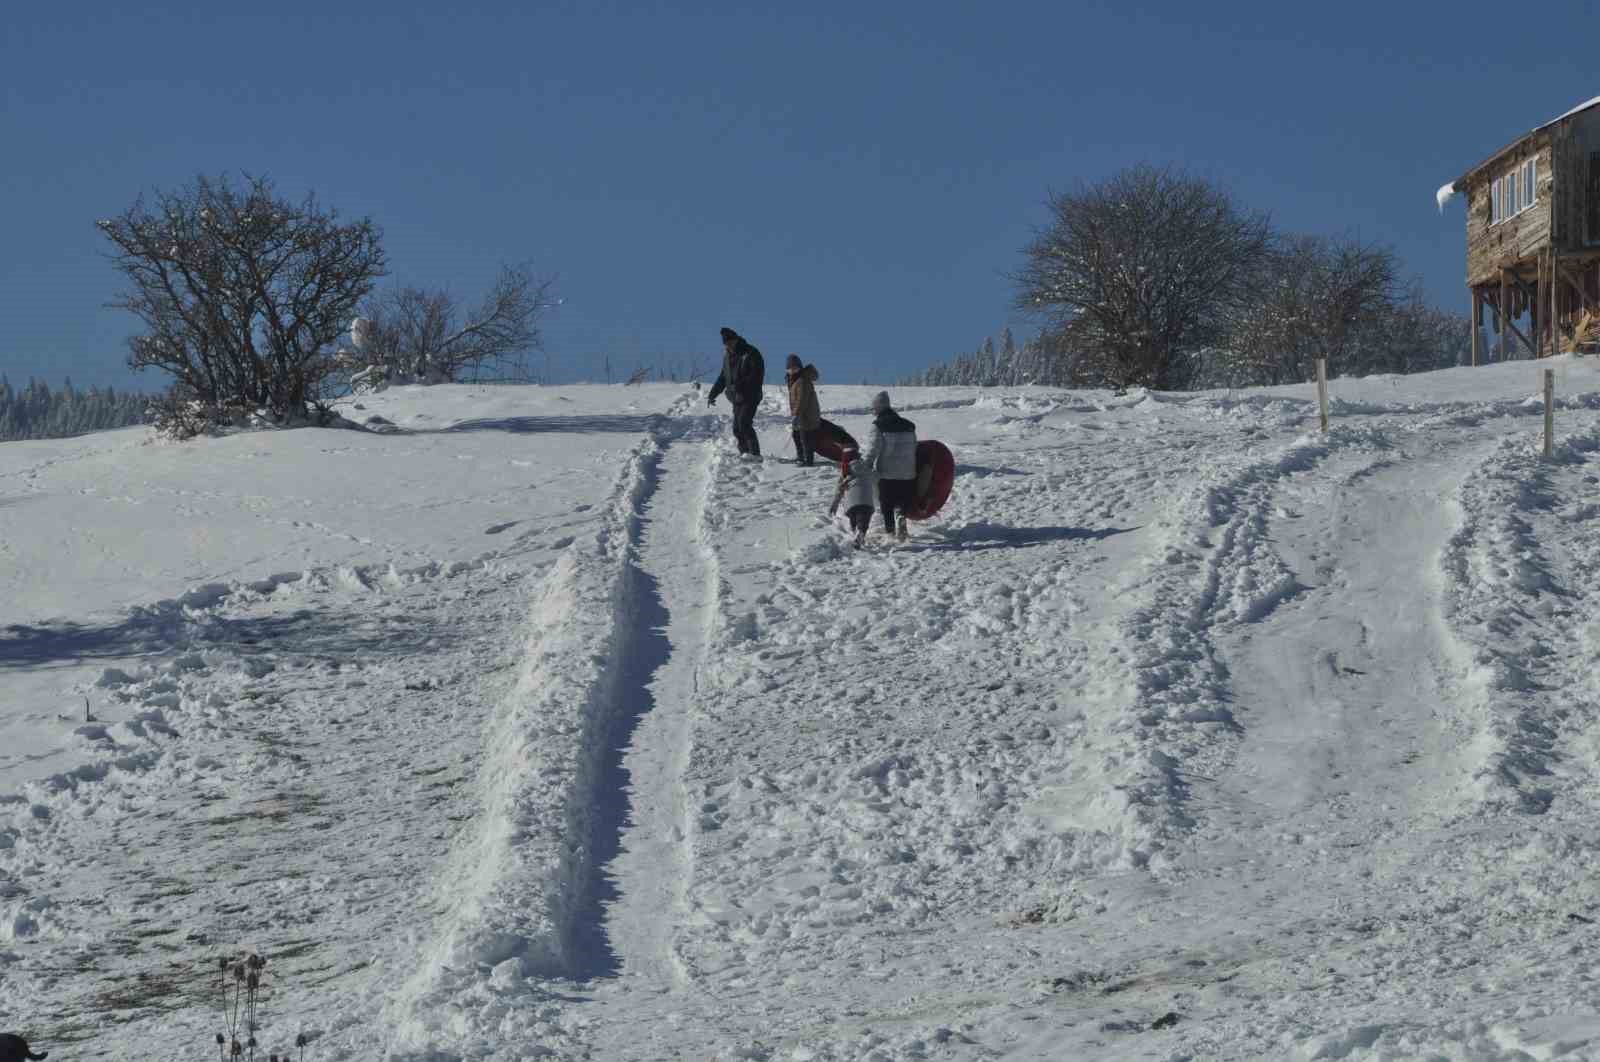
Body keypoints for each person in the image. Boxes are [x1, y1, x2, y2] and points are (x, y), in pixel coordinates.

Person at [859, 390, 916, 542]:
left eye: (873, 409)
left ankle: (890, 532)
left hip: (888, 473)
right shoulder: (909, 425)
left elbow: (872, 449)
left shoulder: (878, 426)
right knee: (903, 500)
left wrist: (865, 466)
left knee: (887, 503)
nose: (873, 412)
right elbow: (914, 448)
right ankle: (902, 516)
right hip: (908, 472)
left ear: (878, 408)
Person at [707, 327, 765, 456]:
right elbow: (723, 377)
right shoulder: (727, 356)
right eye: (726, 344)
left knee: (744, 424)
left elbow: (757, 374)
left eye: (730, 343)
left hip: (751, 395)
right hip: (736, 397)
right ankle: (744, 454)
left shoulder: (750, 352)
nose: (728, 346)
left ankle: (755, 455)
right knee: (737, 429)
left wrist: (741, 384)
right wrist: (713, 394)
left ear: (736, 340)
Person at [829, 448, 876, 548]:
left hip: (851, 503)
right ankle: (860, 533)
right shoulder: (866, 467)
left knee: (854, 520)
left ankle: (856, 534)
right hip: (866, 501)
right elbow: (876, 478)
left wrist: (835, 504)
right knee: (863, 521)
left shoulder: (845, 472)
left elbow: (839, 490)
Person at [784, 354, 821, 466]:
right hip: (800, 414)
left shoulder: (802, 380)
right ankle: (801, 457)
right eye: (790, 368)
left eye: (795, 367)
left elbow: (802, 399)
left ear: (800, 367)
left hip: (807, 414)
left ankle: (808, 460)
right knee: (796, 435)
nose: (793, 370)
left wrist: (796, 414)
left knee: (805, 437)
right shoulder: (794, 380)